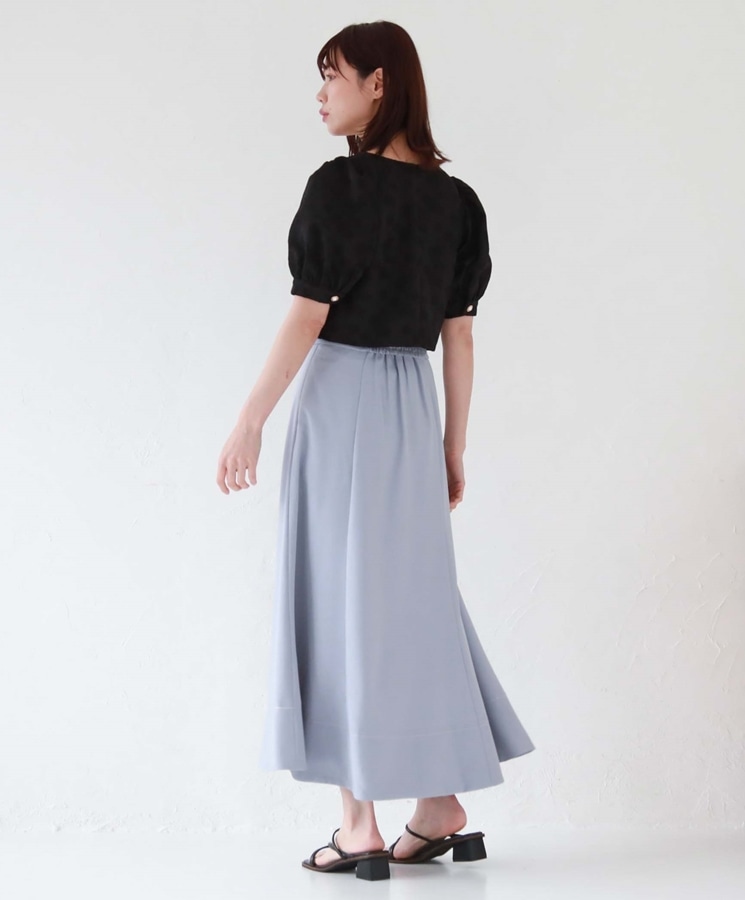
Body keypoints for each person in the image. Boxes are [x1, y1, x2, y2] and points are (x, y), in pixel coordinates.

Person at [216, 21, 535, 881]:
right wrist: (452, 446)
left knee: (338, 602)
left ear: (380, 83)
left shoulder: (341, 186)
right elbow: (460, 338)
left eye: (334, 75)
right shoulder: (458, 203)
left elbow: (307, 315)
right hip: (410, 404)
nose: (321, 94)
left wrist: (250, 419)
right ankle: (437, 803)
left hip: (341, 399)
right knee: (408, 605)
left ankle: (357, 823)